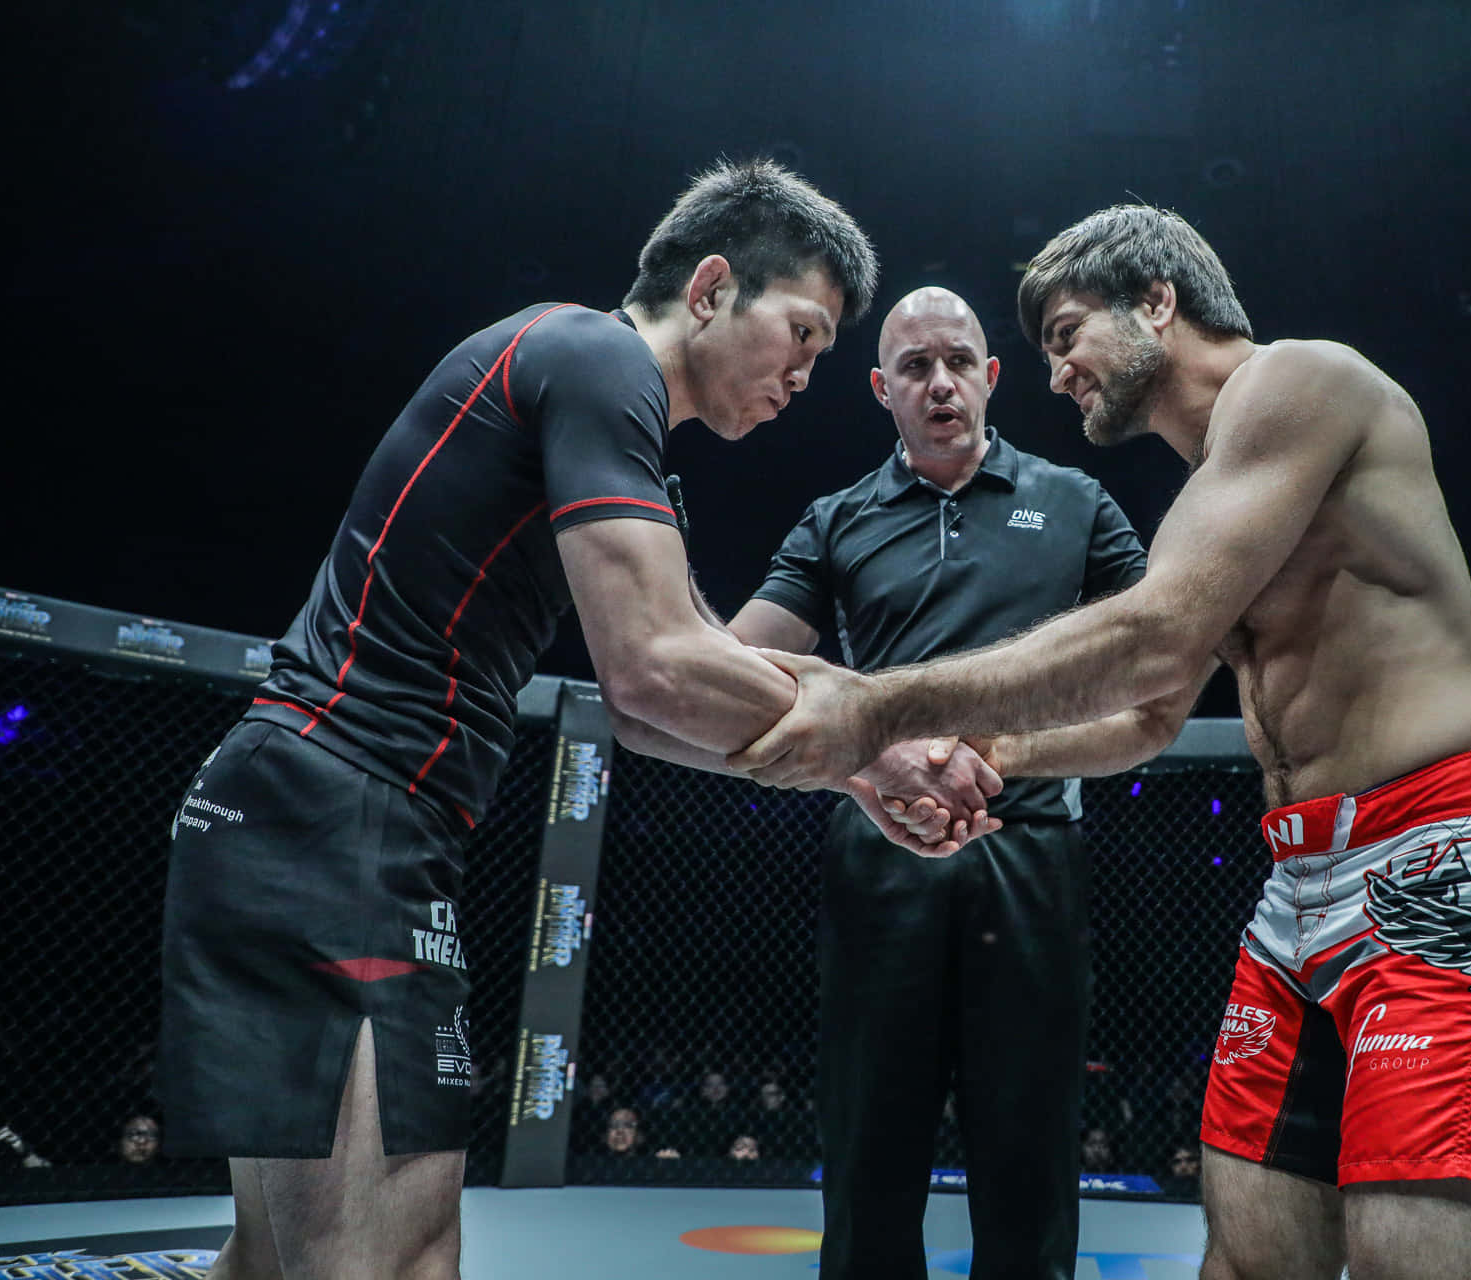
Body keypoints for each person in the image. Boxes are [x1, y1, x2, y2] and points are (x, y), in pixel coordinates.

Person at [730, 205, 1471, 1280]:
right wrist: (985, 757)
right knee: (1243, 1258)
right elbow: (1149, 719)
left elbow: (1148, 640)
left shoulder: (1303, 381)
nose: (1055, 376)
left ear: (1156, 301)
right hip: (1300, 884)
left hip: (1438, 860)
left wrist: (880, 710)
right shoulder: (1217, 491)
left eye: (1064, 335)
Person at [157, 157, 934, 1279]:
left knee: (282, 1264)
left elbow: (668, 701)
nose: (805, 375)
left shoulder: (621, 441)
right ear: (711, 287)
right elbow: (657, 667)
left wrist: (855, 769)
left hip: (348, 823)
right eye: (802, 333)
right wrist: (877, 725)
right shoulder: (592, 355)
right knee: (388, 1261)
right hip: (328, 809)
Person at [723, 286, 1171, 1280]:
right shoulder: (835, 518)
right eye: (917, 367)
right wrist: (855, 737)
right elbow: (741, 662)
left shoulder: (1077, 502)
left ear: (992, 375)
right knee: (870, 1151)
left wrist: (1000, 746)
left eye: (959, 361)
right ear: (883, 388)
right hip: (879, 852)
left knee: (1030, 1157)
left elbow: (1160, 666)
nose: (941, 384)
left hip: (1030, 849)